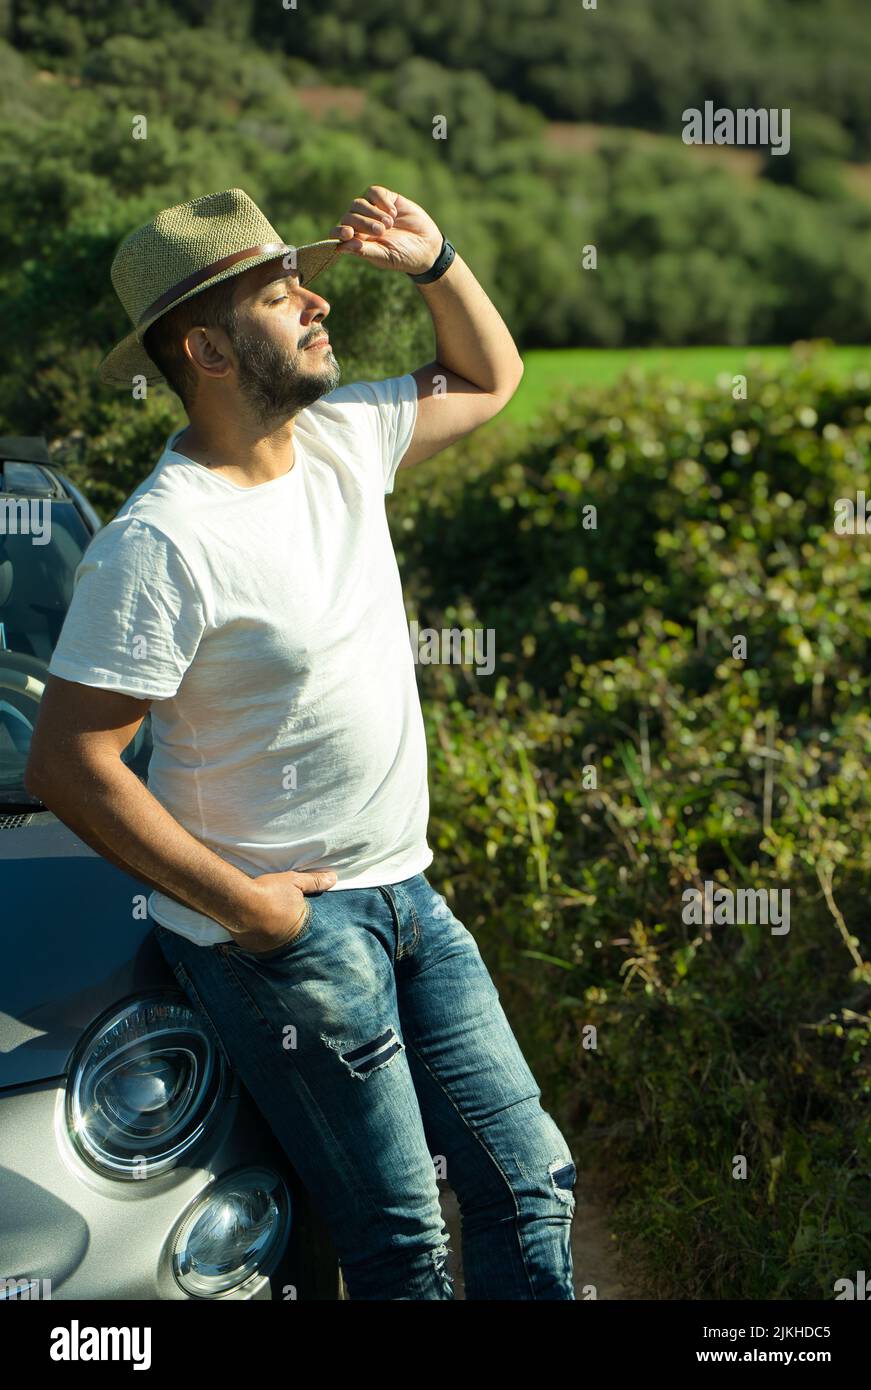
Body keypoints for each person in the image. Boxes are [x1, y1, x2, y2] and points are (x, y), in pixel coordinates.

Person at [26, 184, 577, 1300]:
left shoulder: (340, 435)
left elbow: (488, 377)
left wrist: (436, 264)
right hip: (280, 937)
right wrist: (255, 907)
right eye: (283, 297)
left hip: (409, 892)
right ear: (208, 351)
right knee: (401, 1244)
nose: (318, 303)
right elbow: (68, 763)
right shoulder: (161, 541)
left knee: (529, 1184)